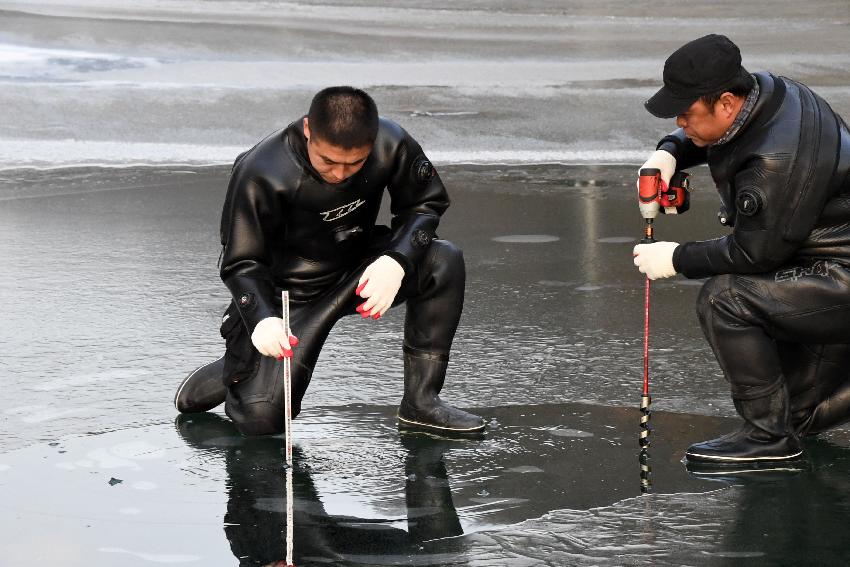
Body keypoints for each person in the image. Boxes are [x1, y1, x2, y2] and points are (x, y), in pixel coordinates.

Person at [174, 86, 485, 436]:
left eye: (355, 163)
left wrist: (396, 260)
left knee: (443, 260)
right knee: (262, 421)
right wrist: (261, 319)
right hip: (288, 297)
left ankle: (421, 403)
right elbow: (240, 261)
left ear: (373, 140)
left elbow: (425, 204)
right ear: (309, 131)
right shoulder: (261, 170)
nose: (340, 174)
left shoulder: (392, 142)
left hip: (359, 268)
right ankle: (236, 365)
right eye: (328, 161)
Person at [633, 34, 850, 464]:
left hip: (838, 275)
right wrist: (671, 152)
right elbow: (712, 136)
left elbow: (755, 255)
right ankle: (781, 428)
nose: (681, 119)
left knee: (725, 299)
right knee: (800, 416)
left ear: (727, 102)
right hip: (824, 258)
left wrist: (676, 258)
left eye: (687, 112)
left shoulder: (775, 161)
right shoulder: (771, 92)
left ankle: (766, 438)